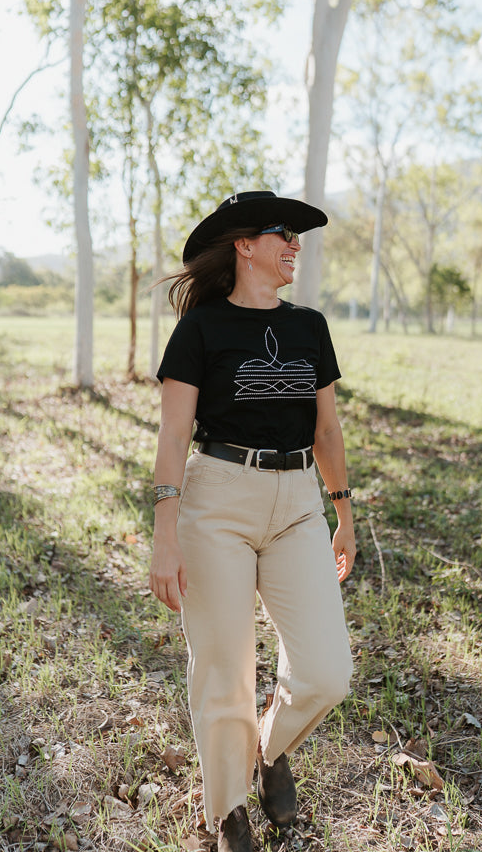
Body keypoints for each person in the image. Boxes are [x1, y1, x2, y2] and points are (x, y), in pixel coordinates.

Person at [149, 190, 355, 852]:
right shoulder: (201, 329)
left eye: (297, 236)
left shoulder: (309, 325)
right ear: (244, 245)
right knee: (223, 671)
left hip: (297, 501)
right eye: (281, 233)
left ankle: (268, 751)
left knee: (327, 672)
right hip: (216, 501)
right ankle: (225, 813)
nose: (294, 244)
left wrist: (342, 510)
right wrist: (163, 536)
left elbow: (326, 428)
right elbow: (173, 436)